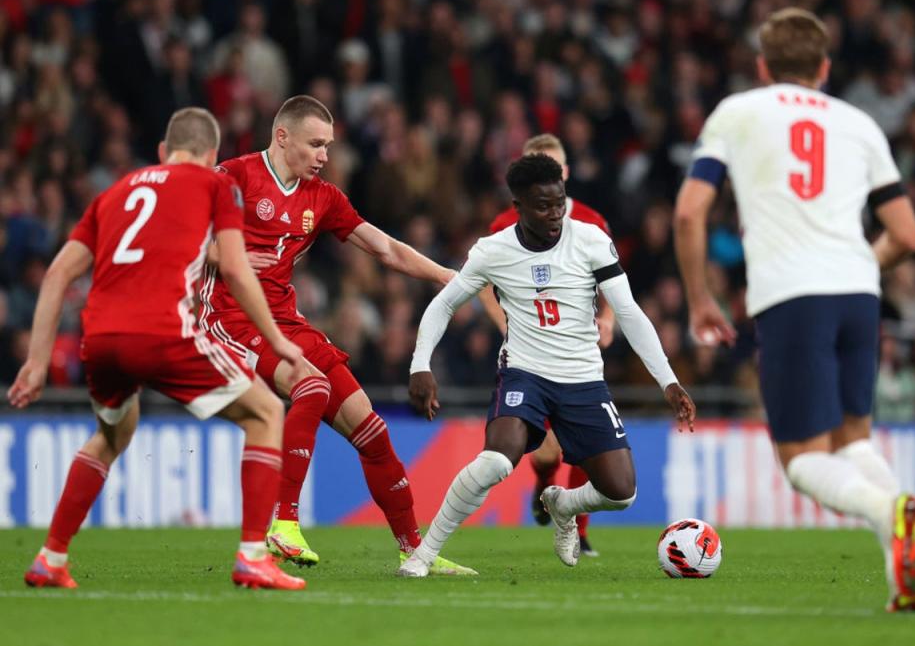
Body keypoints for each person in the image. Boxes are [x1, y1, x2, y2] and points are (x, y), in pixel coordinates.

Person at [673, 8, 915, 612]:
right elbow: (908, 234)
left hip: (792, 294)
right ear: (824, 67)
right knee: (850, 440)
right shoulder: (859, 122)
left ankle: (888, 509)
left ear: (762, 66)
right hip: (859, 296)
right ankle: (902, 554)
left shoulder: (739, 112)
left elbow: (688, 212)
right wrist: (862, 263)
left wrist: (699, 298)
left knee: (801, 459)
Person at [9, 107, 308, 591]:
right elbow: (234, 268)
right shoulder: (216, 185)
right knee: (266, 413)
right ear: (212, 155)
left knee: (112, 433)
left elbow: (58, 273)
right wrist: (276, 339)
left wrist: (37, 362)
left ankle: (51, 556)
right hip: (165, 332)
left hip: (101, 340)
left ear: (163, 153)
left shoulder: (114, 193)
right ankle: (254, 555)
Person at [199, 95, 474, 575]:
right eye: (316, 144)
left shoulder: (322, 197)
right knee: (311, 384)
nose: (325, 155)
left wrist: (448, 277)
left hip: (284, 319)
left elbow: (385, 248)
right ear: (282, 137)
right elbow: (189, 240)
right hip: (230, 316)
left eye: (328, 145)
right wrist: (231, 257)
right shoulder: (234, 177)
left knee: (371, 429)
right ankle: (282, 523)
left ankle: (417, 551)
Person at [398, 154, 695, 576]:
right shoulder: (492, 251)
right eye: (542, 205)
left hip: (583, 380)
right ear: (517, 206)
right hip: (525, 374)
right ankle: (423, 555)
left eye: (559, 203)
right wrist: (420, 364)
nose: (555, 213)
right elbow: (444, 304)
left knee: (621, 493)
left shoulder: (590, 240)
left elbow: (628, 312)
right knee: (497, 462)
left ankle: (563, 503)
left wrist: (668, 381)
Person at [478, 133, 614, 556]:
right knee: (544, 456)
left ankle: (579, 527)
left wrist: (607, 318)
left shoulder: (592, 222)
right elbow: (481, 281)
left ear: (566, 174)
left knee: (584, 444)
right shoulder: (504, 225)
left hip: (575, 345)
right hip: (526, 352)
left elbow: (610, 275)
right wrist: (506, 323)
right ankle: (543, 485)